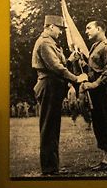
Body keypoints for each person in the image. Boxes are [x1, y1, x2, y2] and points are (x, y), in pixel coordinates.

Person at [31, 15, 87, 175]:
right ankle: (49, 168)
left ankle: (52, 167)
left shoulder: (50, 43)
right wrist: (76, 78)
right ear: (50, 27)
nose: (61, 32)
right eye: (59, 29)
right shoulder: (44, 43)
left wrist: (70, 60)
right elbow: (56, 67)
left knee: (53, 128)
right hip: (48, 86)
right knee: (49, 128)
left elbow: (60, 65)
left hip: (52, 87)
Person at [79, 20, 107, 172]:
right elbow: (95, 68)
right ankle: (105, 159)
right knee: (98, 124)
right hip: (96, 93)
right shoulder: (94, 47)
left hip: (104, 91)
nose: (86, 31)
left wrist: (95, 84)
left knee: (105, 123)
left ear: (99, 28)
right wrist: (82, 62)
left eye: (89, 28)